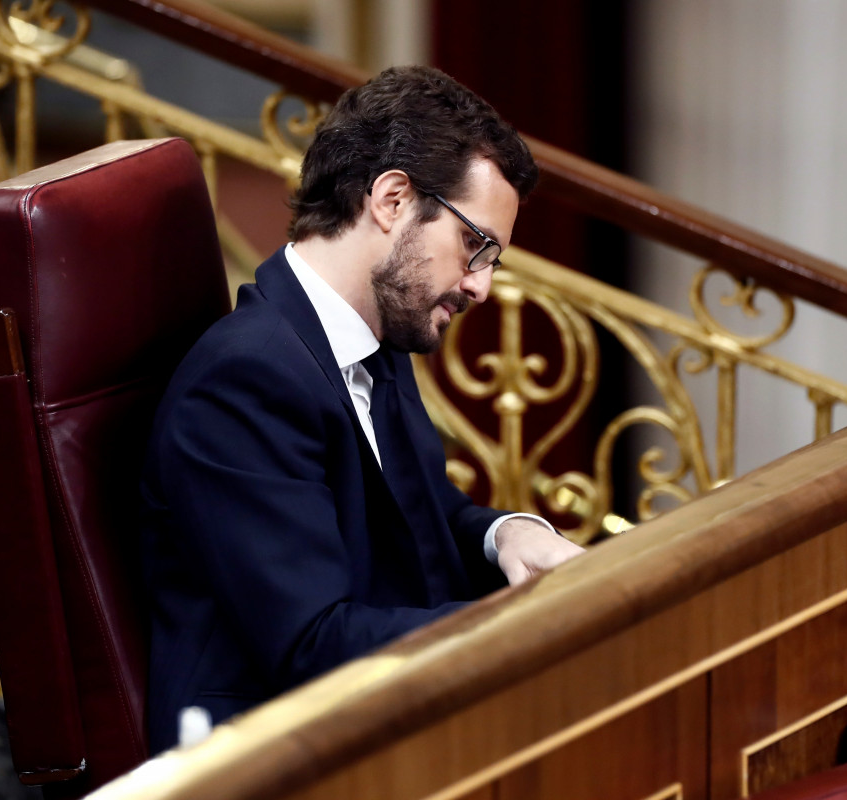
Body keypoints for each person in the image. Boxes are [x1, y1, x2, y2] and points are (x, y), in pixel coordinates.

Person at [141, 65, 585, 752]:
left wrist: (509, 536)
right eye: (476, 246)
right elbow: (309, 645)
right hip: (260, 759)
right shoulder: (244, 379)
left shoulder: (376, 331)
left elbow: (424, 520)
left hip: (373, 720)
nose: (481, 286)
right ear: (393, 199)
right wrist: (525, 630)